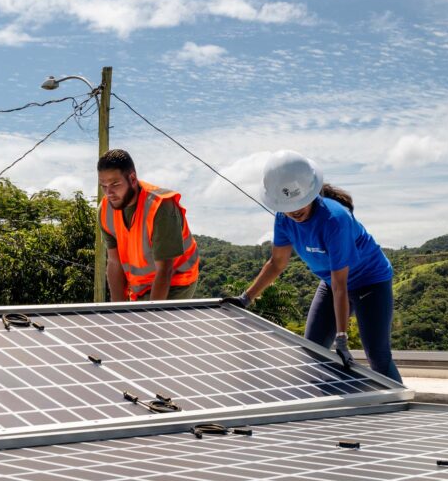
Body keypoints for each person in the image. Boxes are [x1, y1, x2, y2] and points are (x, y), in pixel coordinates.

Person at [226, 150, 403, 383]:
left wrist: (342, 338)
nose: (295, 212)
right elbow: (277, 263)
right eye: (288, 206)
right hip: (332, 283)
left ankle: (400, 404)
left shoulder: (335, 220)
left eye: (300, 204)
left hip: (370, 282)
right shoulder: (283, 219)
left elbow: (342, 285)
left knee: (377, 357)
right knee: (312, 352)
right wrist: (245, 299)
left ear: (311, 193)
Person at [98, 149, 199, 301]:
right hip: (140, 285)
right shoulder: (105, 210)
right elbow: (114, 263)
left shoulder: (161, 207)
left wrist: (151, 317)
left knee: (153, 323)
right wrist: (117, 312)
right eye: (104, 186)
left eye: (115, 184)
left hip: (176, 281)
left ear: (132, 178)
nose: (109, 192)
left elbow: (165, 270)